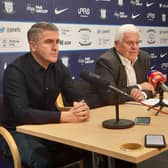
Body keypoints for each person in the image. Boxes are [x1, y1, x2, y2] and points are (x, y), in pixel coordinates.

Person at [0, 22, 92, 168]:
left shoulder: (58, 66)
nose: (55, 47)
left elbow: (74, 95)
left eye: (57, 42)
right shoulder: (15, 71)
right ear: (33, 46)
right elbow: (22, 114)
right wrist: (65, 116)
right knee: (41, 159)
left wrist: (81, 106)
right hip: (17, 131)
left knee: (87, 147)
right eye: (49, 42)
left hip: (49, 128)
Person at [94, 24, 155, 105]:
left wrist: (143, 94)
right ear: (116, 44)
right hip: (116, 110)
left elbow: (152, 87)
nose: (134, 47)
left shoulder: (143, 58)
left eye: (137, 43)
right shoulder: (106, 62)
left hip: (140, 106)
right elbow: (110, 96)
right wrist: (139, 87)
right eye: (129, 43)